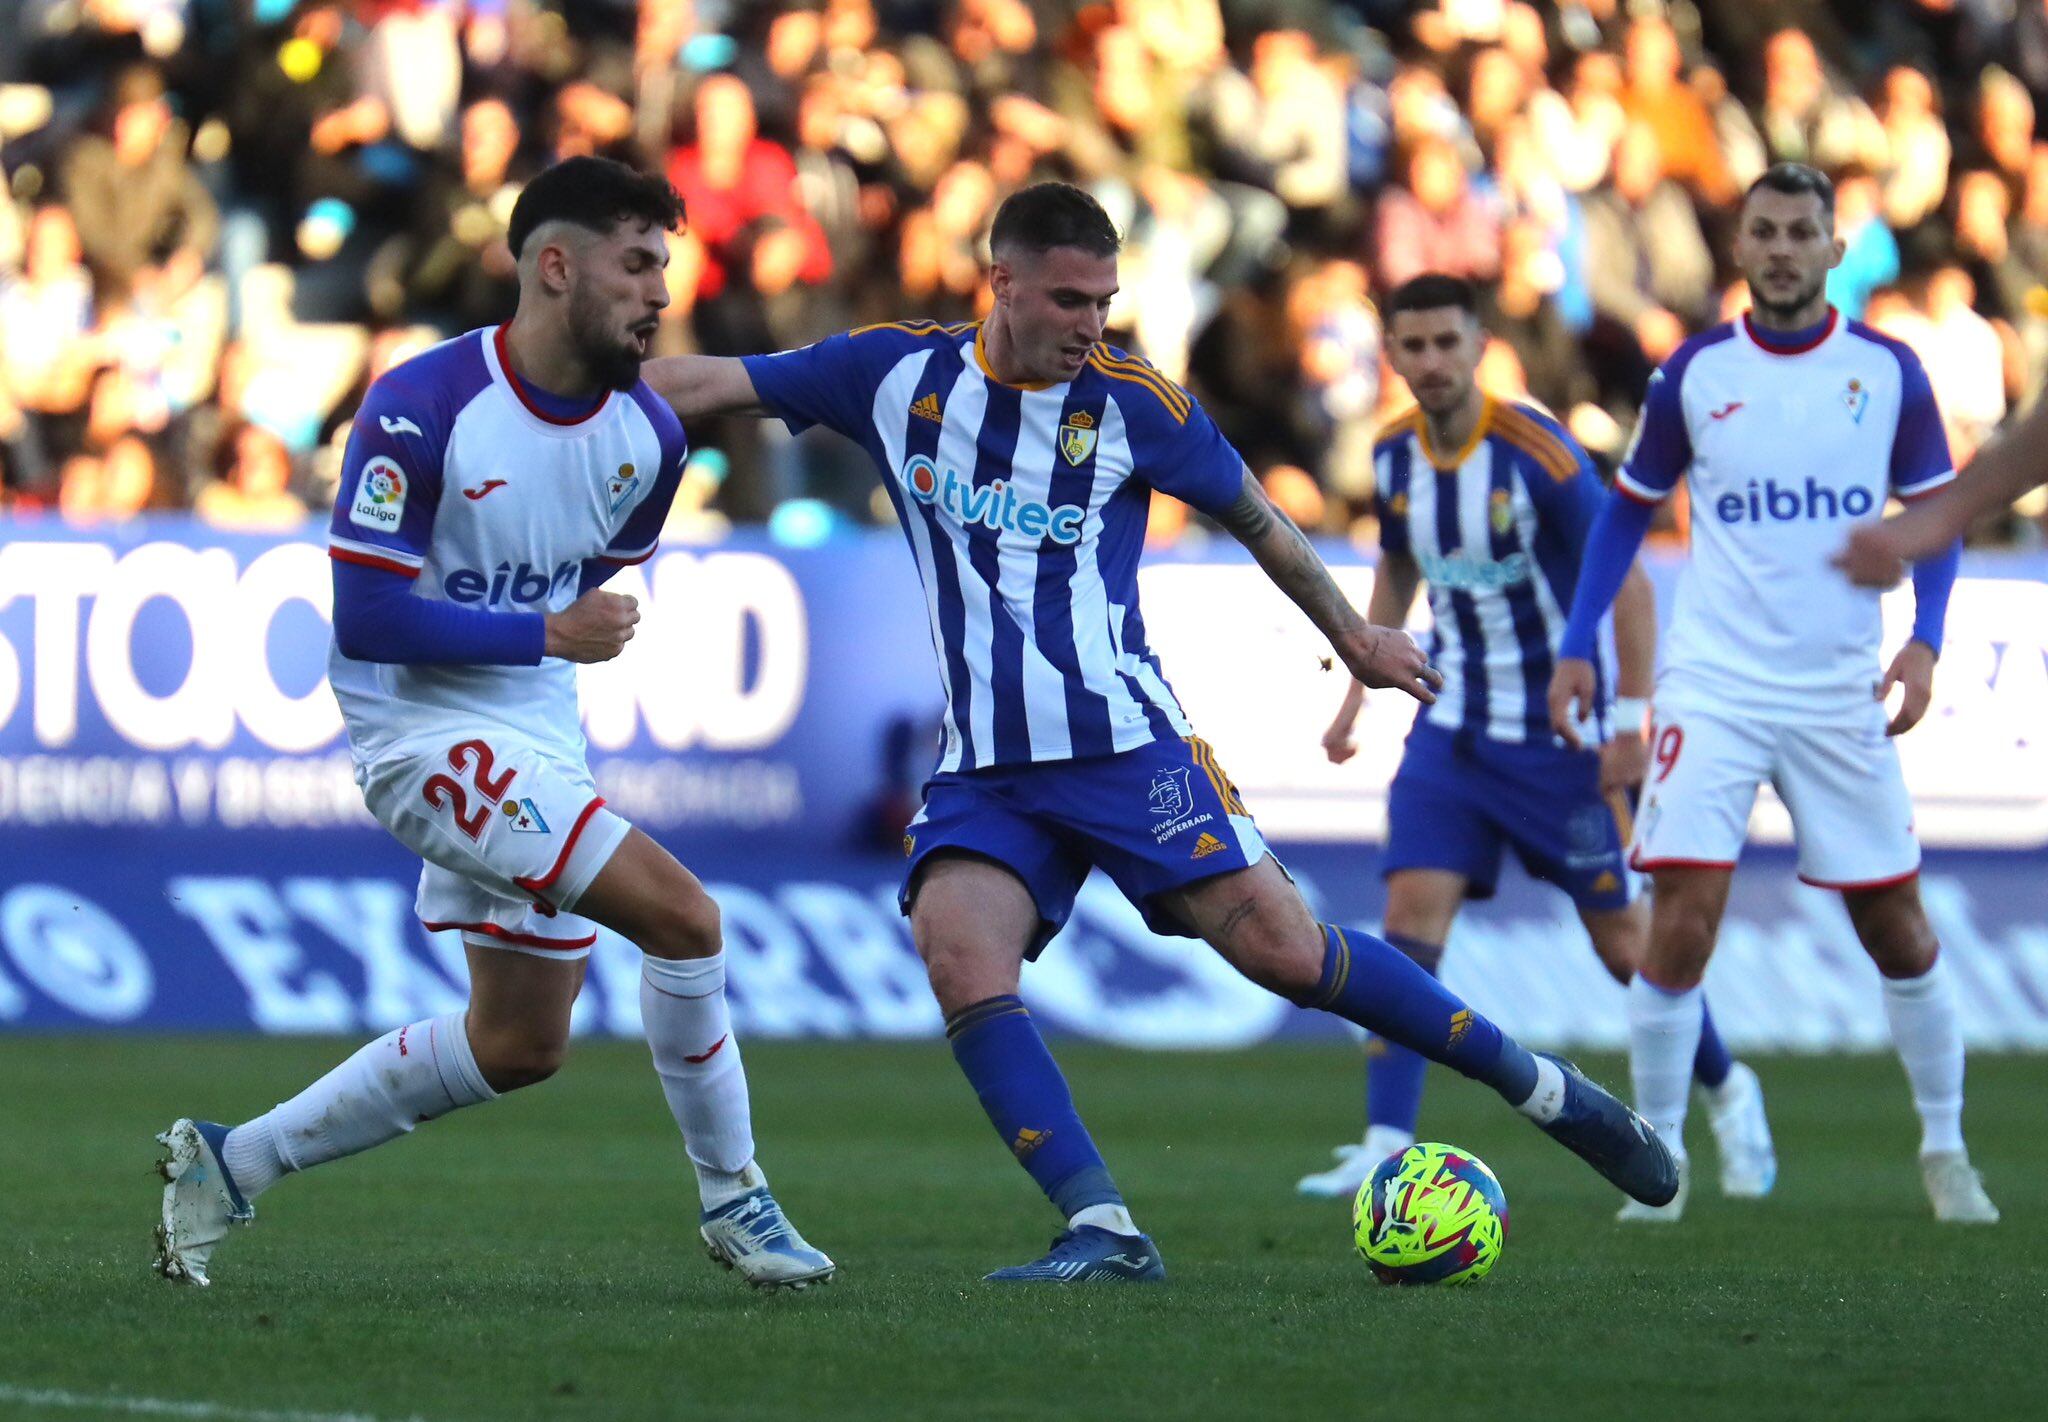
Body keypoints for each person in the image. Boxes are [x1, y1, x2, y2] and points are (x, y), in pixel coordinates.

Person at [643, 182, 1677, 1284]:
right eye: (1067, 299)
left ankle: (1538, 1086)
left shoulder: (1136, 404)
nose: (1091, 323)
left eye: (1104, 299)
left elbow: (1258, 522)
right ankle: (1102, 1229)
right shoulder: (892, 371)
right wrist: (536, 384)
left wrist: (1355, 634)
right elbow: (706, 380)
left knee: (1286, 954)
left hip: (1126, 747)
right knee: (958, 954)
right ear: (999, 284)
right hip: (987, 766)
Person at [153, 158, 835, 1289]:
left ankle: (231, 1163)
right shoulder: (420, 406)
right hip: (418, 737)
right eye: (635, 264)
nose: (659, 291)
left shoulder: (650, 440)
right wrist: (545, 634)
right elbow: (368, 615)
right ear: (553, 266)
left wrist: (550, 643)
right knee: (683, 919)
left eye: (665, 265)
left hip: (534, 726)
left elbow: (589, 570)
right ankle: (737, 1199)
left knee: (519, 1045)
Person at [1551, 164, 1998, 1225]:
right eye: (1764, 230)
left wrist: (1926, 642)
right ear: (1738, 248)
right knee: (1680, 923)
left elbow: (1936, 515)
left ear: (1834, 248)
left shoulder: (1888, 371)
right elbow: (1624, 512)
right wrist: (1580, 644)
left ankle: (1944, 1150)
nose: (1784, 247)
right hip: (1714, 685)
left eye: (1802, 230)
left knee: (1895, 928)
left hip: (1838, 689)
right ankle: (1653, 1175)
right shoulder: (1693, 373)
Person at [1298, 275, 1772, 1214]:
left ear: (1480, 346)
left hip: (1558, 745)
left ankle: (1726, 1089)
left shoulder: (1536, 454)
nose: (1430, 361)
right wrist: (1357, 693)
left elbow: (1629, 585)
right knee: (1407, 928)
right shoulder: (1392, 453)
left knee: (1626, 950)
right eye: (1413, 345)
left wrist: (1631, 725)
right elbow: (1398, 565)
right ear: (1389, 353)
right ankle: (1385, 1139)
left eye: (1446, 342)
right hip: (1451, 733)